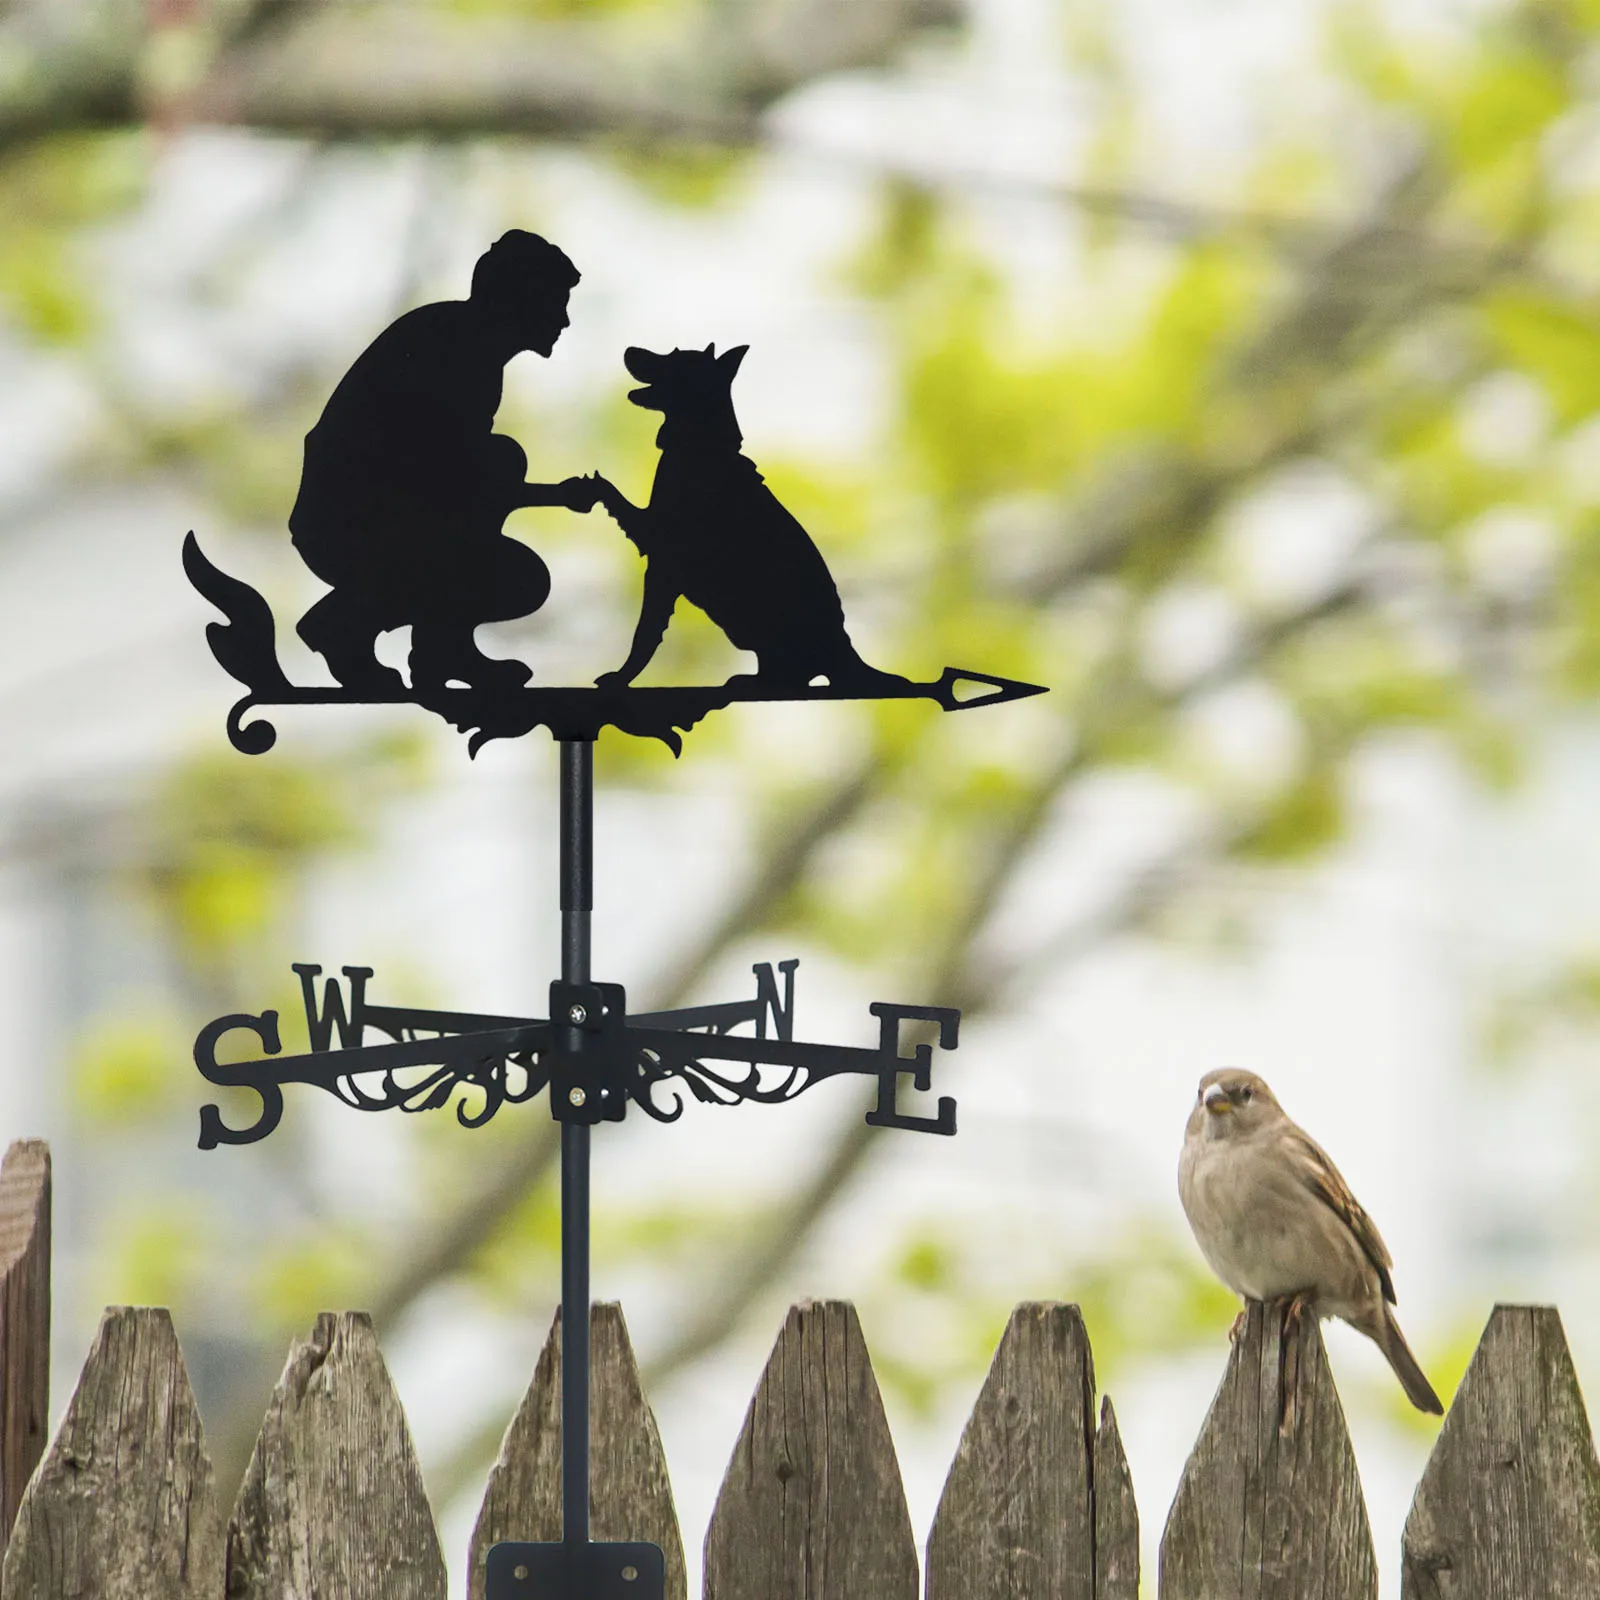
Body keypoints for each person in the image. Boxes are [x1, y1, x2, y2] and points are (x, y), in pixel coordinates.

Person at [288, 230, 599, 696]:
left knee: (510, 556)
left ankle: (433, 647)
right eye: (556, 301)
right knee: (510, 559)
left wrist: (551, 495)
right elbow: (449, 483)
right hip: (356, 528)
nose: (564, 319)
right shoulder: (453, 350)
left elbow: (458, 486)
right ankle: (351, 624)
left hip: (383, 521)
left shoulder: (465, 348)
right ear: (519, 299)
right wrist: (547, 494)